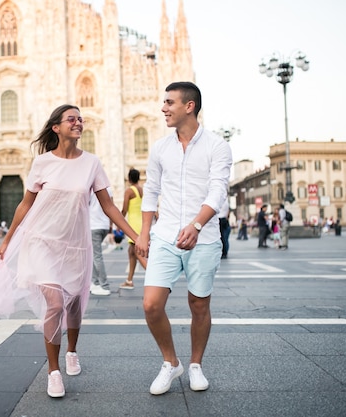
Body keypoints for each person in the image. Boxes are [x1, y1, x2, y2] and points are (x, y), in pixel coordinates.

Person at [0, 104, 139, 398]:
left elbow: (109, 205)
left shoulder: (92, 164)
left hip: (75, 245)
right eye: (71, 119)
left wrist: (136, 236)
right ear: (56, 128)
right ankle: (53, 371)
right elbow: (25, 204)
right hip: (41, 242)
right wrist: (8, 240)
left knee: (73, 305)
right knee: (56, 304)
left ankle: (72, 350)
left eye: (80, 119)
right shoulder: (42, 163)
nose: (78, 122)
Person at [135, 82, 232, 395]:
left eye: (169, 102)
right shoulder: (160, 148)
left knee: (198, 305)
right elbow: (151, 191)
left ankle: (195, 364)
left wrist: (197, 224)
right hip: (164, 236)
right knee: (151, 305)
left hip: (203, 238)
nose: (163, 108)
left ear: (189, 106)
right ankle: (170, 362)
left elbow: (218, 189)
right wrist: (144, 233)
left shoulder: (217, 146)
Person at [120, 168, 148, 289]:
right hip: (141, 223)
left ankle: (154, 277)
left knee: (137, 253)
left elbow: (124, 209)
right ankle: (129, 281)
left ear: (129, 178)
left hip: (134, 225)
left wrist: (119, 222)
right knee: (131, 252)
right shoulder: (142, 190)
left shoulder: (129, 191)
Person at [89, 188, 113, 296]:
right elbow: (112, 206)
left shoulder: (89, 189)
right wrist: (111, 225)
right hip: (104, 225)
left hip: (94, 225)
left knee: (96, 256)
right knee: (93, 255)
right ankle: (95, 282)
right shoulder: (109, 189)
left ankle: (104, 286)